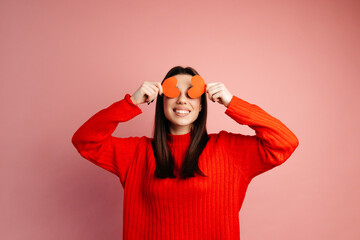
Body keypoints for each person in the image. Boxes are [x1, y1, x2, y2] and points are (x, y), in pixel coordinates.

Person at [71, 65, 299, 240]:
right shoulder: (136, 153)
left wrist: (232, 102)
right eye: (173, 93)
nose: (182, 99)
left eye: (191, 94)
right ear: (160, 102)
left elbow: (285, 142)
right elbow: (84, 141)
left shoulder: (229, 150)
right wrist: (131, 102)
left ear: (202, 105)